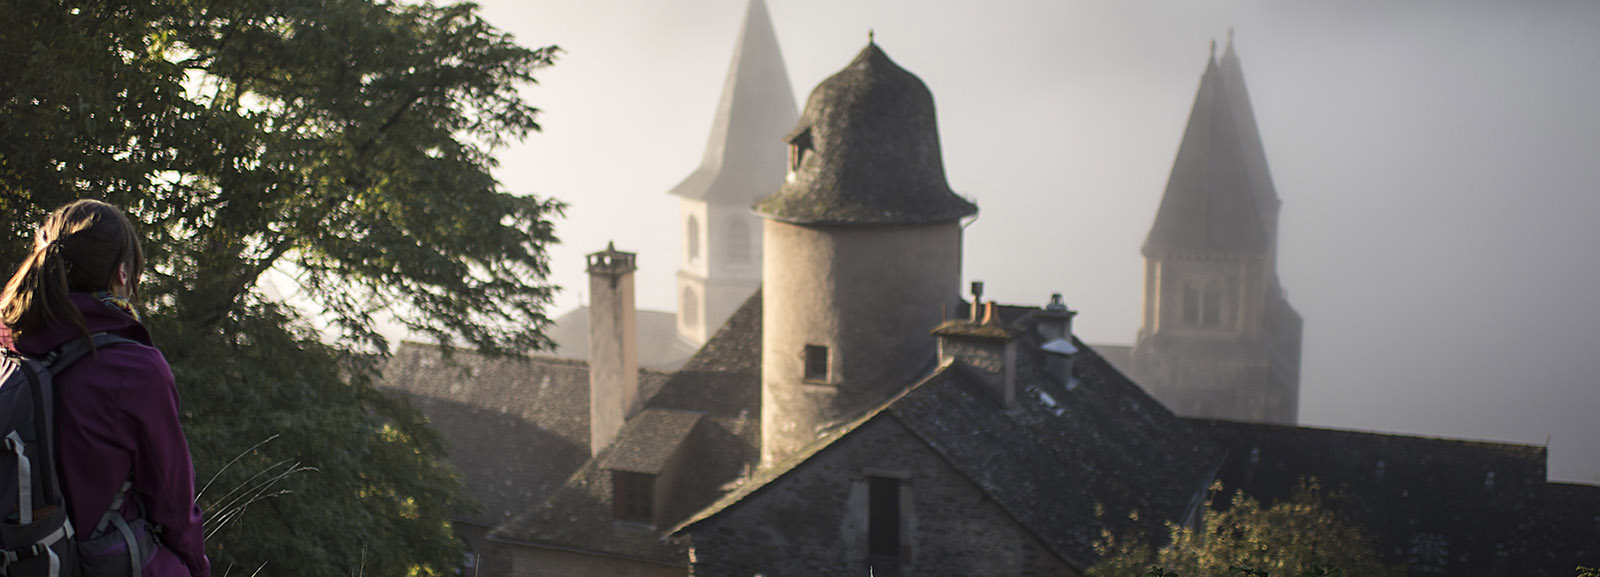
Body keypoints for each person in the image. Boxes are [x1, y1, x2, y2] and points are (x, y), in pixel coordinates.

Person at [0, 200, 210, 577]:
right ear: (123, 274)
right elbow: (172, 502)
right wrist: (196, 567)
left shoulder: (7, 341)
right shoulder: (133, 368)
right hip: (96, 561)